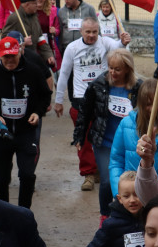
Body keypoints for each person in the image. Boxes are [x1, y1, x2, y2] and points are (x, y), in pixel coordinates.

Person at [55, 17, 130, 193]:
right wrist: (59, 101)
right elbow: (64, 74)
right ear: (81, 31)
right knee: (84, 138)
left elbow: (118, 46)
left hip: (102, 97)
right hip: (81, 99)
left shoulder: (105, 43)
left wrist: (123, 41)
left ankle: (100, 169)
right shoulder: (72, 48)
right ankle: (88, 173)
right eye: (87, 32)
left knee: (104, 135)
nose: (91, 35)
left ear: (99, 31)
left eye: (94, 32)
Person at [0, 35, 52, 208]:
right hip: (1, 133)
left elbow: (45, 95)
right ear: (0, 55)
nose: (9, 60)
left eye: (13, 55)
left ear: (19, 52)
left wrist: (37, 112)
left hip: (26, 132)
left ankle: (23, 213)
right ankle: (3, 215)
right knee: (1, 179)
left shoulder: (33, 71)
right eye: (6, 56)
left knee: (27, 175)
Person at [73, 48, 143, 217]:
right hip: (104, 142)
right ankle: (105, 216)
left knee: (130, 183)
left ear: (127, 69)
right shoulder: (99, 84)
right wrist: (79, 136)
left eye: (117, 69)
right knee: (107, 181)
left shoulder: (138, 87)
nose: (112, 72)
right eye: (110, 67)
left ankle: (129, 218)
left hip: (129, 143)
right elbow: (85, 111)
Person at [109, 78, 158, 200]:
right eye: (148, 104)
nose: (152, 109)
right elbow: (116, 161)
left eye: (156, 103)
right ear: (141, 103)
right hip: (132, 196)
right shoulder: (126, 124)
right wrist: (120, 193)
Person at [0, 0, 57, 69]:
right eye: (34, 3)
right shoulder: (14, 18)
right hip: (18, 61)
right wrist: (22, 41)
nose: (37, 5)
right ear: (27, 5)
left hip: (33, 58)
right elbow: (4, 38)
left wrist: (49, 55)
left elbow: (41, 39)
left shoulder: (35, 17)